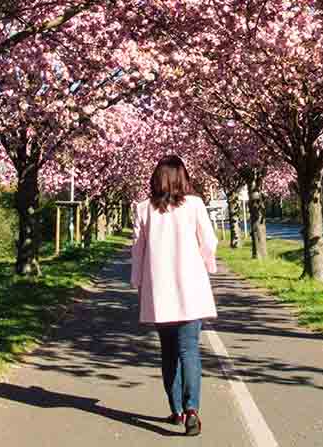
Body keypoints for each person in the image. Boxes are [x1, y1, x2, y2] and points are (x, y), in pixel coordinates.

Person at [130, 155, 219, 437]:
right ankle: (192, 409)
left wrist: (137, 282)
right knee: (189, 349)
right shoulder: (194, 204)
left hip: (160, 292)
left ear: (156, 179)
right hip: (190, 288)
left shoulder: (143, 209)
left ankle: (177, 410)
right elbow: (209, 241)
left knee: (168, 353)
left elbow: (137, 250)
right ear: (182, 177)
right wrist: (209, 265)